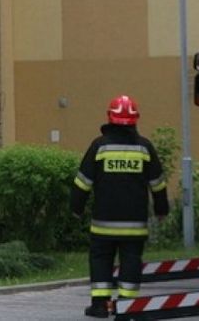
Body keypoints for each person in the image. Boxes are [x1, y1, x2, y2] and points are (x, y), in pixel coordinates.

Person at [70, 94, 169, 318]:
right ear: (135, 119)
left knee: (100, 259)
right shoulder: (144, 148)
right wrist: (161, 209)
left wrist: (76, 208)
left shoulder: (99, 146)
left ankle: (99, 305)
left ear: (110, 117)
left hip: (103, 223)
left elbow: (83, 182)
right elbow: (158, 183)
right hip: (134, 224)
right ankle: (127, 306)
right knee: (131, 261)